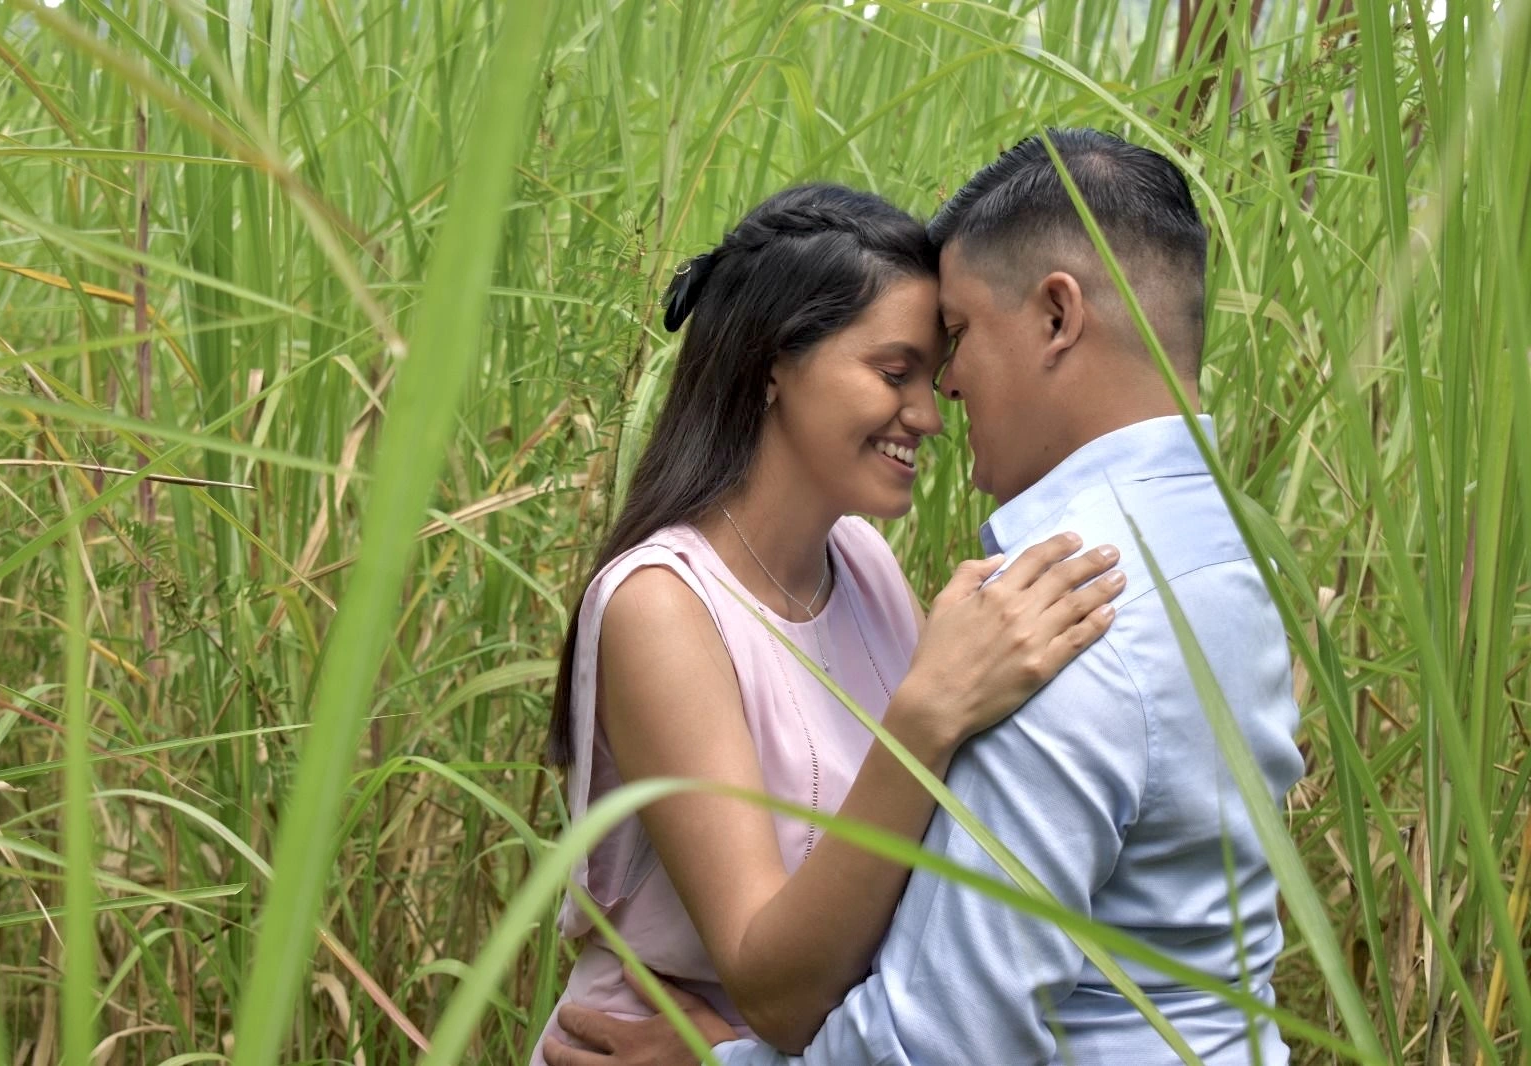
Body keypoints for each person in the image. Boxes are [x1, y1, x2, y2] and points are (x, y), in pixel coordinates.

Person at [549, 129, 1306, 1066]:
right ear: (773, 365)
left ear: (1059, 318)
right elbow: (810, 975)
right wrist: (923, 716)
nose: (936, 401)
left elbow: (923, 933)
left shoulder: (881, 566)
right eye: (895, 370)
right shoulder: (664, 605)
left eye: (945, 353)